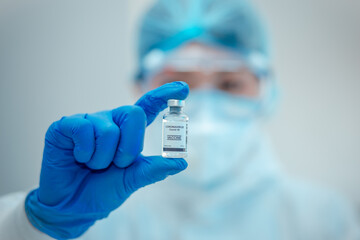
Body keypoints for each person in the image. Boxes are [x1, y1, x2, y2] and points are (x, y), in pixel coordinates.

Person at [0, 0, 359, 239]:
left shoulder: (321, 218)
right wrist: (35, 223)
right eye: (180, 87)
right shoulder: (96, 215)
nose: (203, 109)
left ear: (266, 90)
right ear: (140, 88)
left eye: (230, 83)